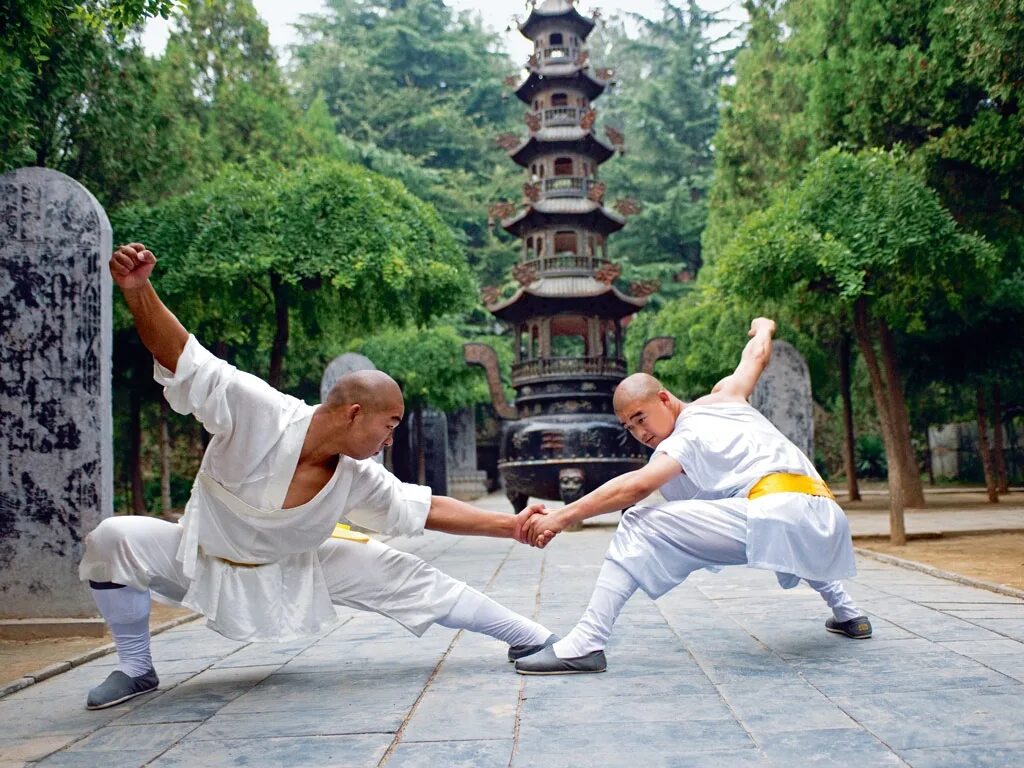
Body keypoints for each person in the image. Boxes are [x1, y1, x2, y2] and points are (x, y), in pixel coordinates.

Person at [79, 243, 554, 710]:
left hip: (297, 566)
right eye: (389, 426)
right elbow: (185, 357)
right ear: (352, 413)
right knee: (112, 537)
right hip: (199, 557)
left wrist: (511, 526)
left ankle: (531, 636)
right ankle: (137, 667)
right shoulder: (258, 409)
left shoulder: (356, 475)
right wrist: (138, 291)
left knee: (405, 574)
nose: (390, 440)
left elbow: (424, 508)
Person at [515, 317, 871, 675]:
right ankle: (849, 613)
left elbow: (636, 488)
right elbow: (756, 357)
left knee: (638, 521)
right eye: (630, 427)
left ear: (665, 399)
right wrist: (764, 328)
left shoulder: (684, 438)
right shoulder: (726, 397)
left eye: (641, 418)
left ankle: (585, 643)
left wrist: (561, 516)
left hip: (777, 510)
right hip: (824, 515)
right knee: (782, 528)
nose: (640, 432)